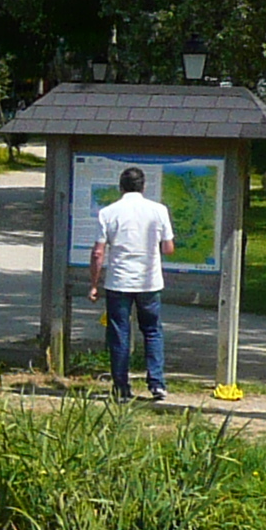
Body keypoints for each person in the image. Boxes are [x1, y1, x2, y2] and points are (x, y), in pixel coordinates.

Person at [89, 166, 178, 402]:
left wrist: (94, 284)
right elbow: (168, 248)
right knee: (152, 330)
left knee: (119, 333)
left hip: (119, 281)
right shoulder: (158, 210)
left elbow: (99, 252)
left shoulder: (108, 213)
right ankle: (157, 383)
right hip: (149, 281)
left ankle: (121, 387)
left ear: (121, 187)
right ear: (144, 187)